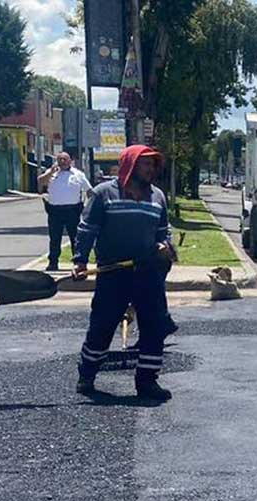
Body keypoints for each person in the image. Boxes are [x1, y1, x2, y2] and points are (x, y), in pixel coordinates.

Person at [73, 145, 178, 401]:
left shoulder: (158, 197)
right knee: (102, 326)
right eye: (145, 164)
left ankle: (147, 381)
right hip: (113, 272)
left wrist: (165, 245)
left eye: (153, 164)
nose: (151, 169)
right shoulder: (103, 194)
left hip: (148, 272)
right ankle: (87, 374)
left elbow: (164, 231)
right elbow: (87, 228)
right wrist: (80, 260)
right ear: (130, 164)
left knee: (154, 327)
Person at [38, 151, 92, 272]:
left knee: (75, 238)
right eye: (60, 159)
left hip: (73, 211)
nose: (62, 162)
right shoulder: (51, 173)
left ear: (70, 161)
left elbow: (89, 191)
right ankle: (53, 262)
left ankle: (78, 262)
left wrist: (90, 208)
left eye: (65, 159)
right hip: (54, 211)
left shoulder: (78, 174)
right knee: (54, 238)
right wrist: (50, 172)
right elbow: (40, 182)